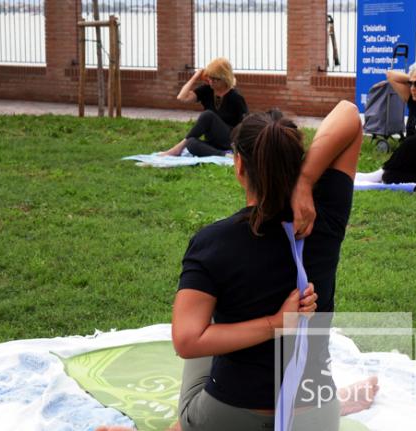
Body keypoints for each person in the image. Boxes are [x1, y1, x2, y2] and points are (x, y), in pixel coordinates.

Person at [97, 101, 379, 431]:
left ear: (239, 164)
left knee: (206, 324)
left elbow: (187, 342)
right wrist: (305, 182)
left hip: (232, 415)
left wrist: (275, 323)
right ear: (297, 161)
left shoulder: (213, 242)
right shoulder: (323, 217)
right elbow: (348, 113)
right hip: (315, 412)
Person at [356, 62, 416, 185]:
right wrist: (414, 78)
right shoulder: (413, 101)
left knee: (413, 142)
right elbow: (390, 75)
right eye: (411, 84)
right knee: (389, 177)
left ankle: (379, 173)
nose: (412, 88)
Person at [159, 57, 248, 157]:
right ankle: (223, 155)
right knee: (191, 143)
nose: (211, 81)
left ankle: (177, 149)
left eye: (215, 79)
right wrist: (195, 77)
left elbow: (245, 125)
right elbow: (182, 97)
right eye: (210, 77)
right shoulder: (207, 90)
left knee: (208, 115)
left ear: (225, 78)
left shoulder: (236, 97)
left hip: (230, 140)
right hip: (214, 142)